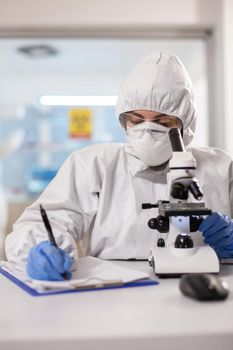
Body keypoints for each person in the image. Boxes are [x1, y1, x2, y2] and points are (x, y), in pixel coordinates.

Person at [5, 51, 233, 281]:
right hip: (112, 296)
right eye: (136, 119)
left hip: (205, 291)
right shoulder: (93, 164)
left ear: (186, 123)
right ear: (123, 119)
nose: (147, 131)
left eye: (163, 121)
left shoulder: (222, 167)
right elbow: (41, 224)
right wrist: (39, 249)